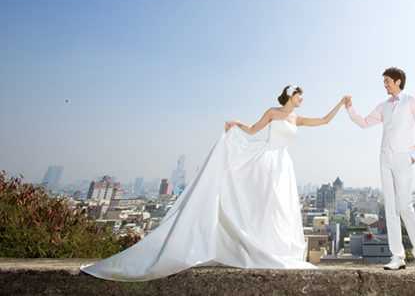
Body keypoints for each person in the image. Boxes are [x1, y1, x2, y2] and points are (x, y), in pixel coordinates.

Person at [80, 85, 347, 281]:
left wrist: (341, 103)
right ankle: (255, 247)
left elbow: (324, 120)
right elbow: (253, 130)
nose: (302, 99)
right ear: (290, 95)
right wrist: (237, 124)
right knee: (263, 204)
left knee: (280, 208)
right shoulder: (273, 112)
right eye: (300, 95)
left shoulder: (297, 119)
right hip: (266, 161)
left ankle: (274, 249)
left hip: (283, 165)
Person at [344, 67, 415, 270]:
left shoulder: (411, 102)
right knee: (390, 209)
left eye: (387, 81)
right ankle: (397, 257)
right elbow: (364, 122)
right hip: (385, 159)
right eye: (384, 82)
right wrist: (350, 108)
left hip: (404, 158)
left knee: (405, 207)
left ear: (398, 81)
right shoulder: (383, 106)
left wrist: (414, 155)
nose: (385, 85)